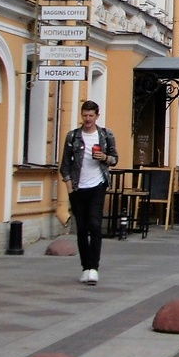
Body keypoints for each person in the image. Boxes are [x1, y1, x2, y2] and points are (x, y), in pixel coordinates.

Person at [59, 100, 118, 286]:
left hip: (98, 185)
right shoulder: (73, 137)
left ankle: (94, 268)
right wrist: (70, 189)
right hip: (78, 187)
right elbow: (65, 166)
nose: (87, 119)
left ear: (97, 116)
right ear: (81, 115)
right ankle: (85, 267)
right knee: (82, 229)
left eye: (91, 116)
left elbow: (115, 158)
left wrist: (105, 158)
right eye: (84, 115)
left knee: (95, 224)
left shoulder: (105, 135)